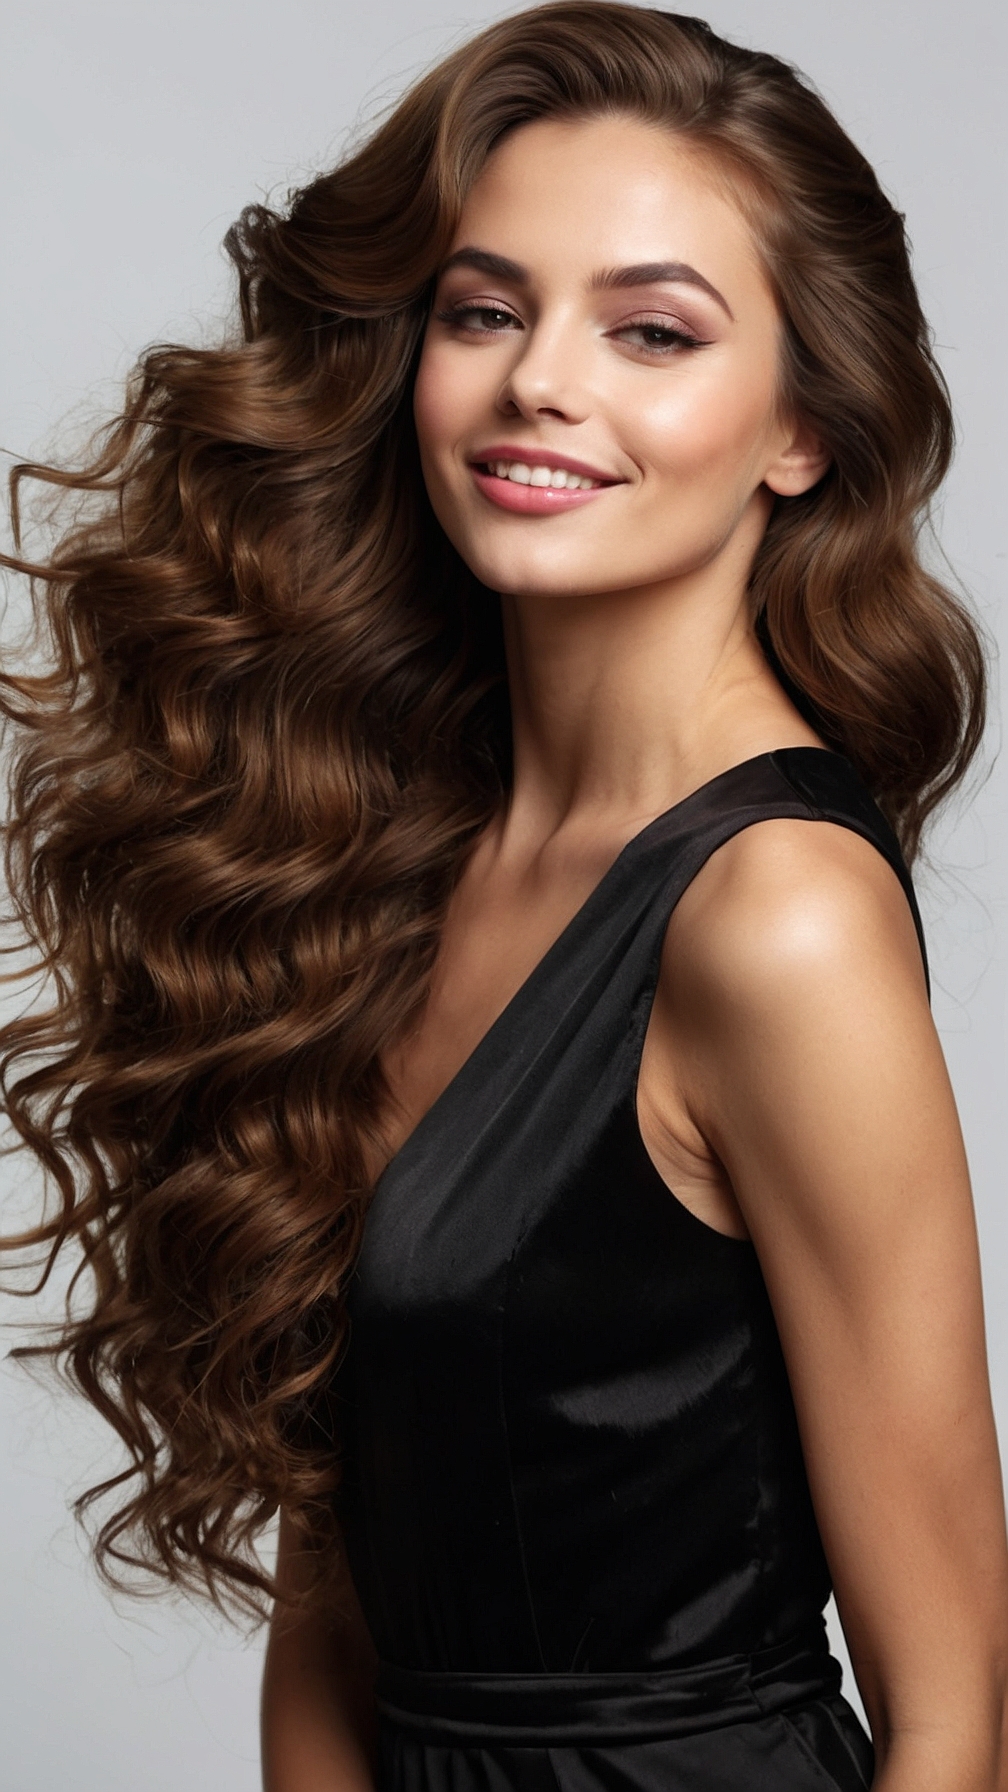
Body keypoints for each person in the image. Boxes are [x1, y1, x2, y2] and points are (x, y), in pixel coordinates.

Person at [1, 3, 1005, 1788]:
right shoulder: (367, 860)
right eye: (485, 310)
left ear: (801, 431)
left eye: (653, 330)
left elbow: (955, 1720)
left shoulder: (776, 917)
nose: (543, 378)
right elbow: (336, 1591)